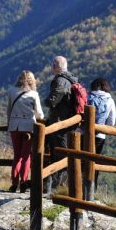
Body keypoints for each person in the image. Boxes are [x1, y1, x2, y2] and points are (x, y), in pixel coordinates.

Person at [44, 55, 81, 192]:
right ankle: (60, 186)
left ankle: (57, 187)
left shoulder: (60, 81)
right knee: (63, 153)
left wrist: (45, 101)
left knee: (59, 154)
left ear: (55, 66)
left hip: (60, 123)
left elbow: (52, 101)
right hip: (68, 123)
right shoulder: (71, 79)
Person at [7, 70, 43, 193]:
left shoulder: (11, 91)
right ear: (32, 81)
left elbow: (8, 110)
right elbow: (39, 114)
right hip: (28, 128)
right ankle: (23, 182)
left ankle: (13, 184)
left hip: (14, 126)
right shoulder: (33, 94)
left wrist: (10, 124)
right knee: (26, 156)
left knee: (17, 156)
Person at [87, 77, 116, 191]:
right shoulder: (109, 100)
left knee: (81, 159)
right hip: (99, 135)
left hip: (83, 134)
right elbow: (111, 122)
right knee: (94, 161)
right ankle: (92, 190)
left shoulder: (87, 97)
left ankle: (77, 187)